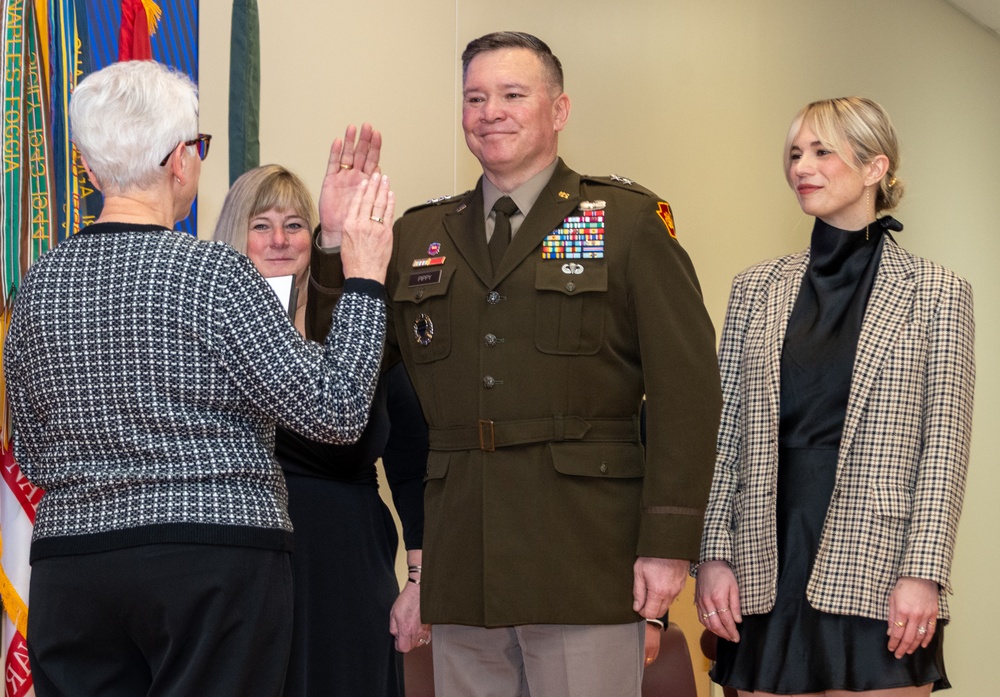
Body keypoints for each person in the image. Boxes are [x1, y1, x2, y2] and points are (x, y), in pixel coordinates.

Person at [309, 31, 721, 697]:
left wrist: (669, 540)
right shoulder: (419, 234)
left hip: (584, 558)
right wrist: (335, 240)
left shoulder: (627, 221)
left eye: (511, 94)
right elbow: (342, 367)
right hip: (465, 561)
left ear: (558, 110)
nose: (489, 111)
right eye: (475, 97)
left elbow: (688, 393)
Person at [3, 60, 394, 696]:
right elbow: (337, 410)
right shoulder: (215, 276)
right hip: (210, 561)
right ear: (180, 160)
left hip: (72, 565)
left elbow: (32, 446)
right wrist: (365, 278)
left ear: (90, 167)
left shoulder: (40, 284)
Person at [696, 97, 976, 696]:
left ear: (875, 167)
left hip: (880, 567)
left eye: (823, 151)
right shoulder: (754, 288)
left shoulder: (937, 293)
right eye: (796, 153)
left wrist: (924, 574)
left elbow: (943, 450)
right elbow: (724, 439)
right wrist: (713, 557)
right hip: (763, 563)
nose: (802, 165)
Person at [213, 154, 429, 697]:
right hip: (237, 560)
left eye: (294, 225)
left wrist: (421, 582)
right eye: (260, 225)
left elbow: (411, 460)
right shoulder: (202, 332)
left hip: (347, 560)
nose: (279, 239)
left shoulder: (356, 321)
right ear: (233, 236)